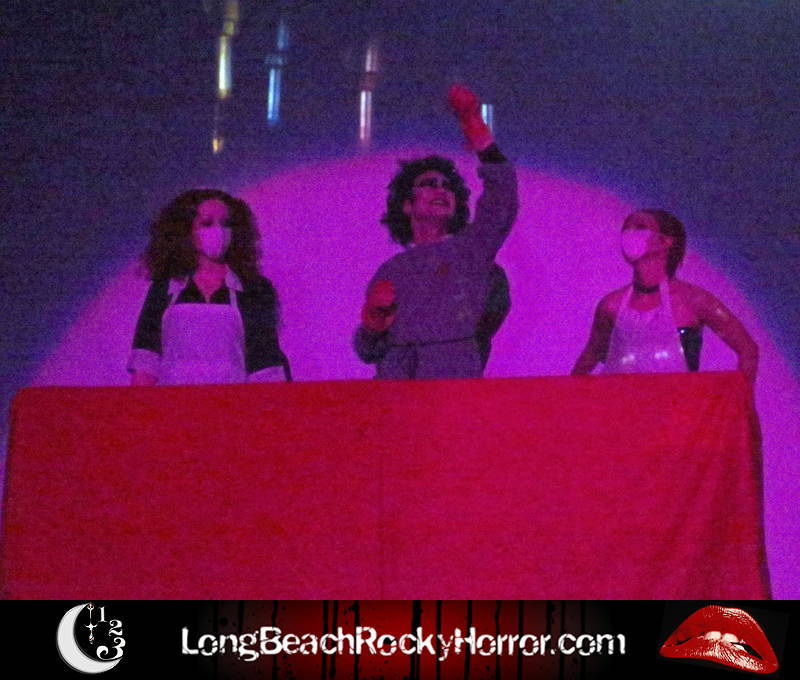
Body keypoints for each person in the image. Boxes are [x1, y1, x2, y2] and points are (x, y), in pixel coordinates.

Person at [354, 85, 518, 379]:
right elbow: (367, 351)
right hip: (396, 395)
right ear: (407, 204)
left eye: (447, 187)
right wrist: (373, 321)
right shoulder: (391, 270)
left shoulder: (470, 250)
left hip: (453, 390)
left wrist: (477, 131)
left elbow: (502, 198)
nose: (441, 190)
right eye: (429, 184)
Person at [571, 209, 758, 383]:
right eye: (626, 228)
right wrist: (567, 396)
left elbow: (747, 349)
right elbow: (591, 355)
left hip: (676, 403)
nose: (630, 234)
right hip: (620, 403)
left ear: (666, 241)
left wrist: (740, 398)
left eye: (640, 227)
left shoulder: (694, 300)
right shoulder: (611, 305)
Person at [128, 189, 290, 385]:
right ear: (186, 231)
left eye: (225, 224)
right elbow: (146, 363)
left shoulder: (253, 289)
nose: (218, 231)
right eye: (207, 223)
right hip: (172, 401)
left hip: (233, 401)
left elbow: (264, 365)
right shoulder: (165, 287)